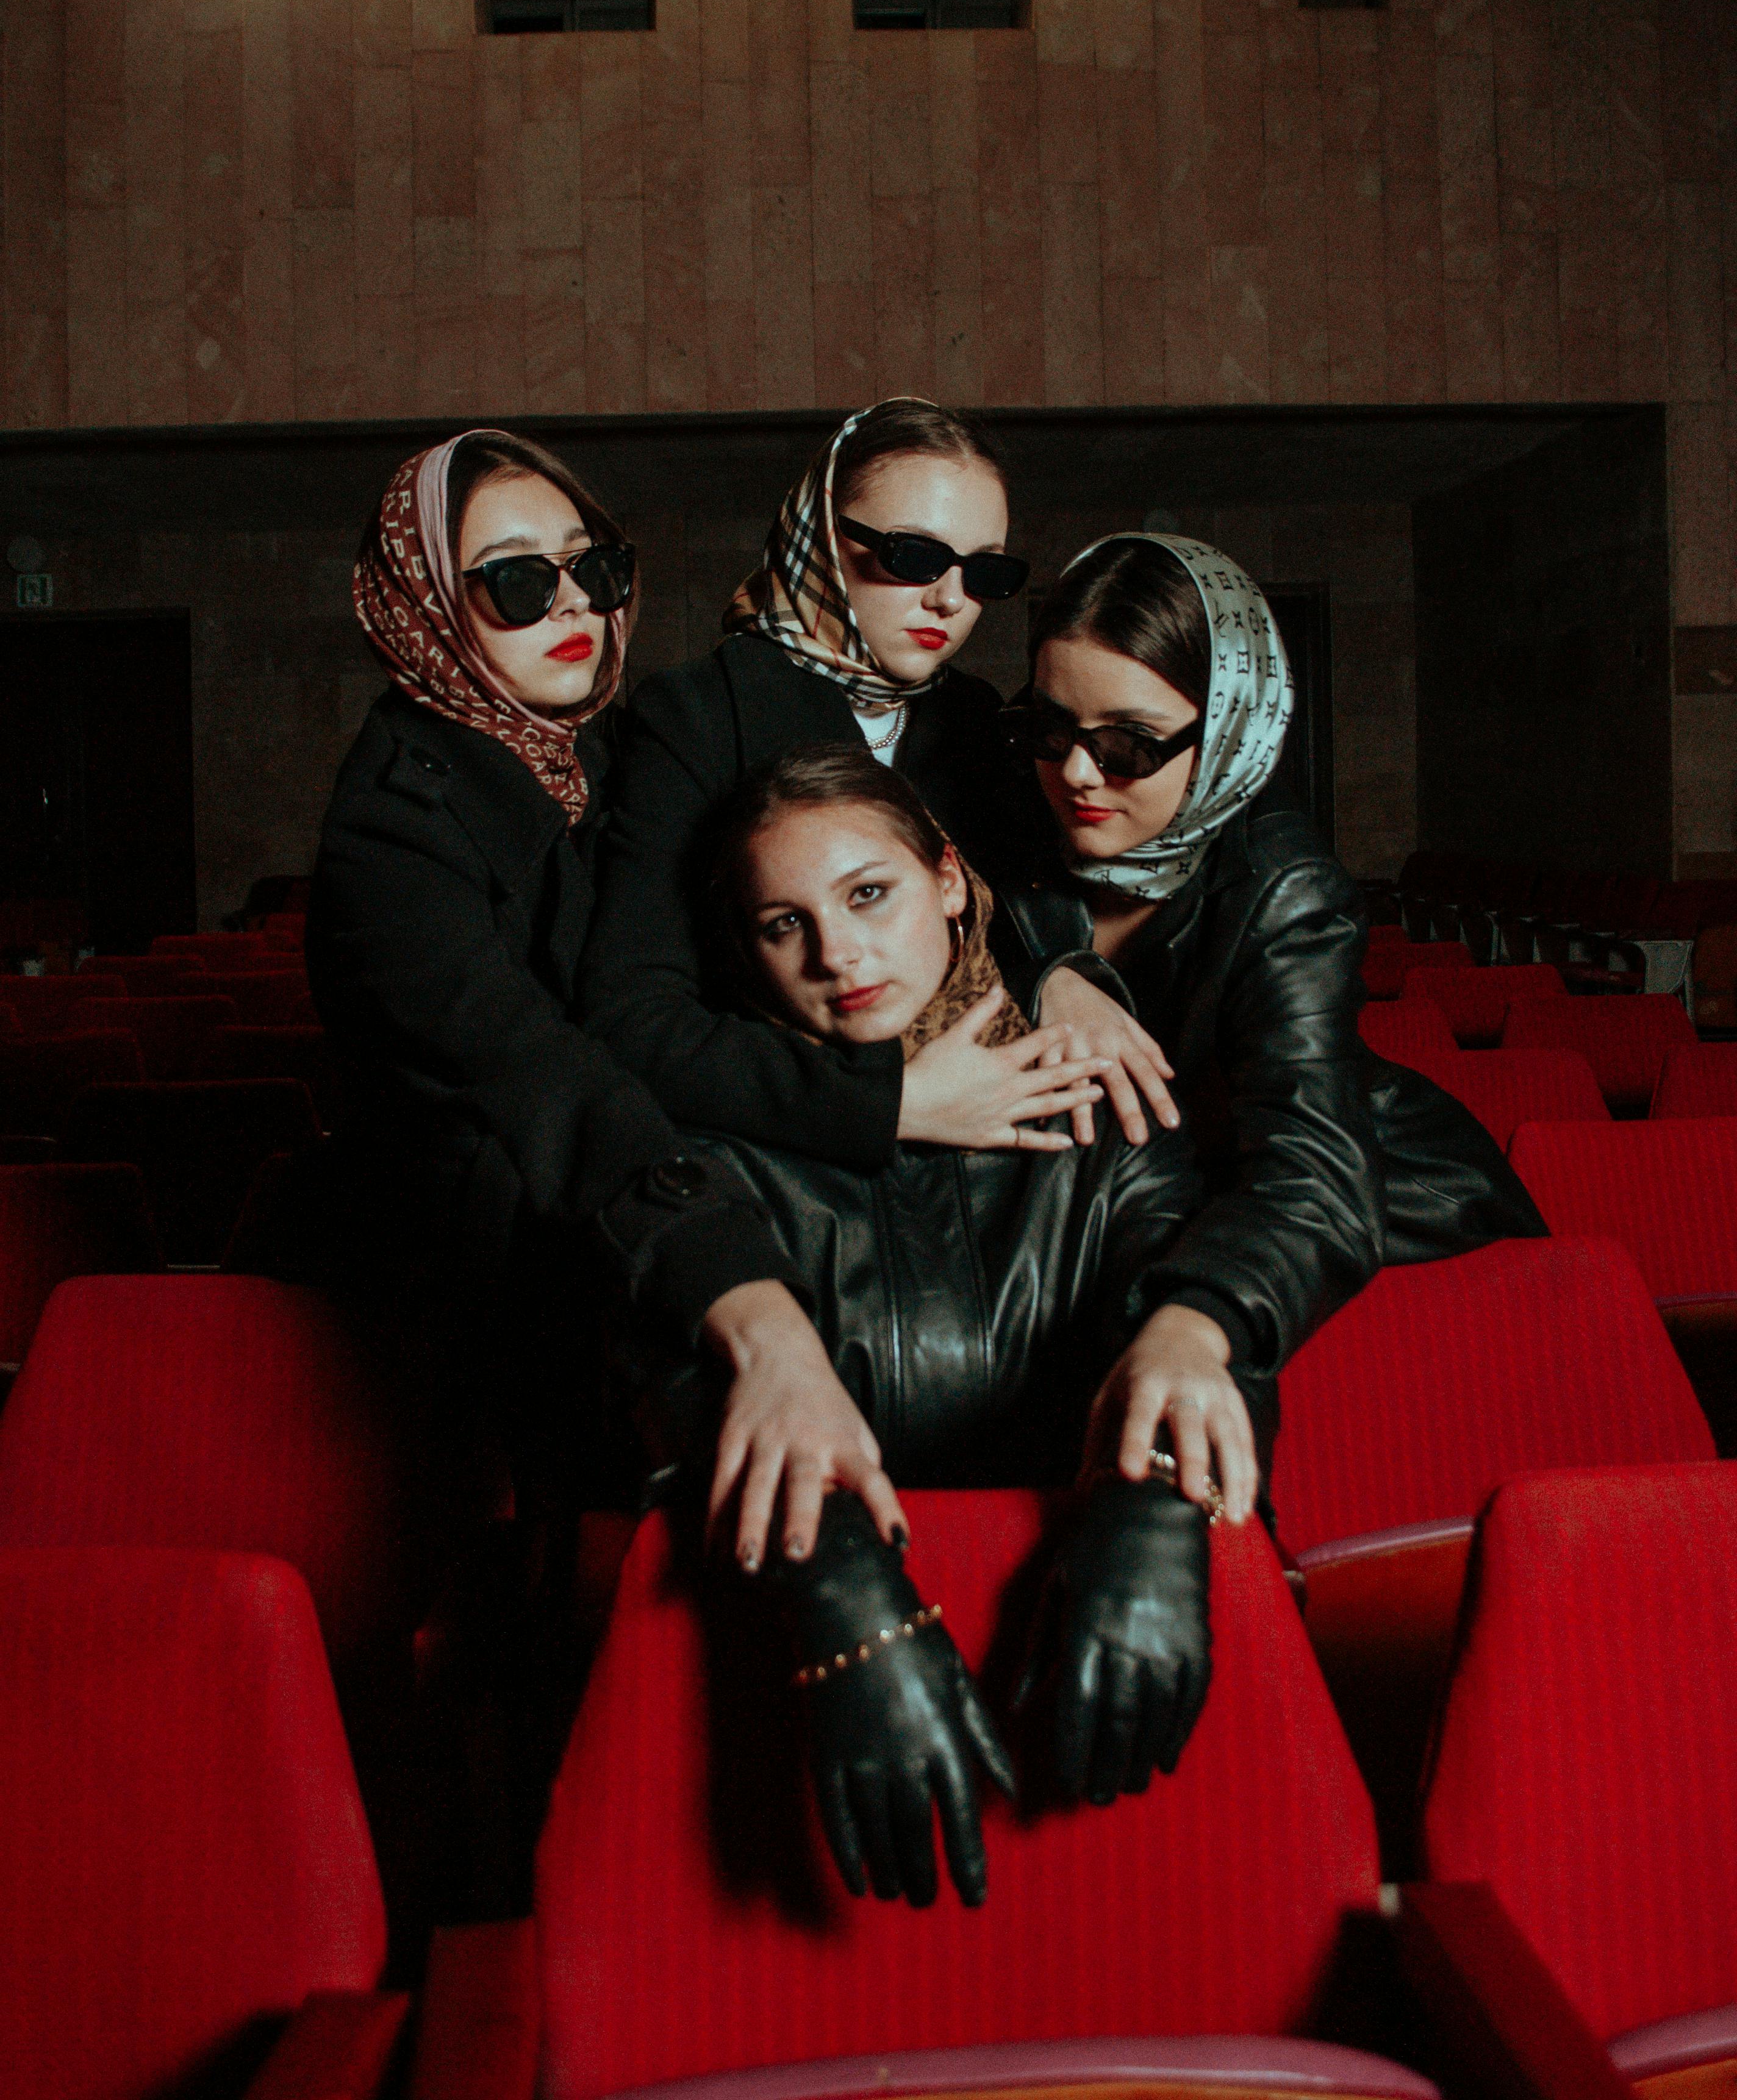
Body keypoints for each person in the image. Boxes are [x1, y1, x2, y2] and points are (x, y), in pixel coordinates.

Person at [632, 743, 1303, 1916]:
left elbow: (1194, 1303)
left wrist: (1151, 1509)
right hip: (798, 1714)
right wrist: (837, 1591)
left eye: (868, 893)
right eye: (783, 922)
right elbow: (676, 1381)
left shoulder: (1097, 1103)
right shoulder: (715, 1162)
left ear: (948, 880)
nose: (837, 954)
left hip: (1097, 1699)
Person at [306, 429, 793, 1507]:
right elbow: (536, 1075)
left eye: (594, 565)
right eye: (518, 580)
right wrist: (732, 1276)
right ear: (424, 600)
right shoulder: (389, 827)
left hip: (643, 1196)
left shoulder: (622, 752)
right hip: (489, 1292)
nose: (575, 602)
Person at [992, 532, 1547, 1377]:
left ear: (1224, 734)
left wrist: (1196, 1323)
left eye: (1129, 746)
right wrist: (1052, 976)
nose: (1075, 772)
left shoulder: (1287, 886)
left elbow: (1312, 1171)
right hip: (1135, 1195)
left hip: (1366, 1195)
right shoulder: (1004, 818)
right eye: (1050, 725)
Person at [582, 397, 1112, 1168]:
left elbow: (1006, 926)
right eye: (913, 557)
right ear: (820, 541)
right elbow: (630, 1018)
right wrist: (886, 1103)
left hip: (987, 1162)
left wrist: (1062, 979)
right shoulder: (697, 714)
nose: (950, 599)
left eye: (985, 570)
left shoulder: (973, 719)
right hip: (782, 1170)